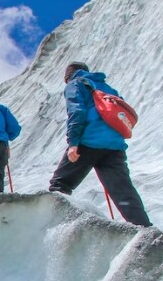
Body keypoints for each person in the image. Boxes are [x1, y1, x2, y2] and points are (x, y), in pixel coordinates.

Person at [48, 62, 152, 226]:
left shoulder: (75, 84)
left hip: (88, 142)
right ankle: (144, 228)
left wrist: (74, 143)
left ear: (67, 77)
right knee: (123, 192)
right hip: (114, 146)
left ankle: (51, 224)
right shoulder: (107, 87)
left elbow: (77, 112)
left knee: (60, 184)